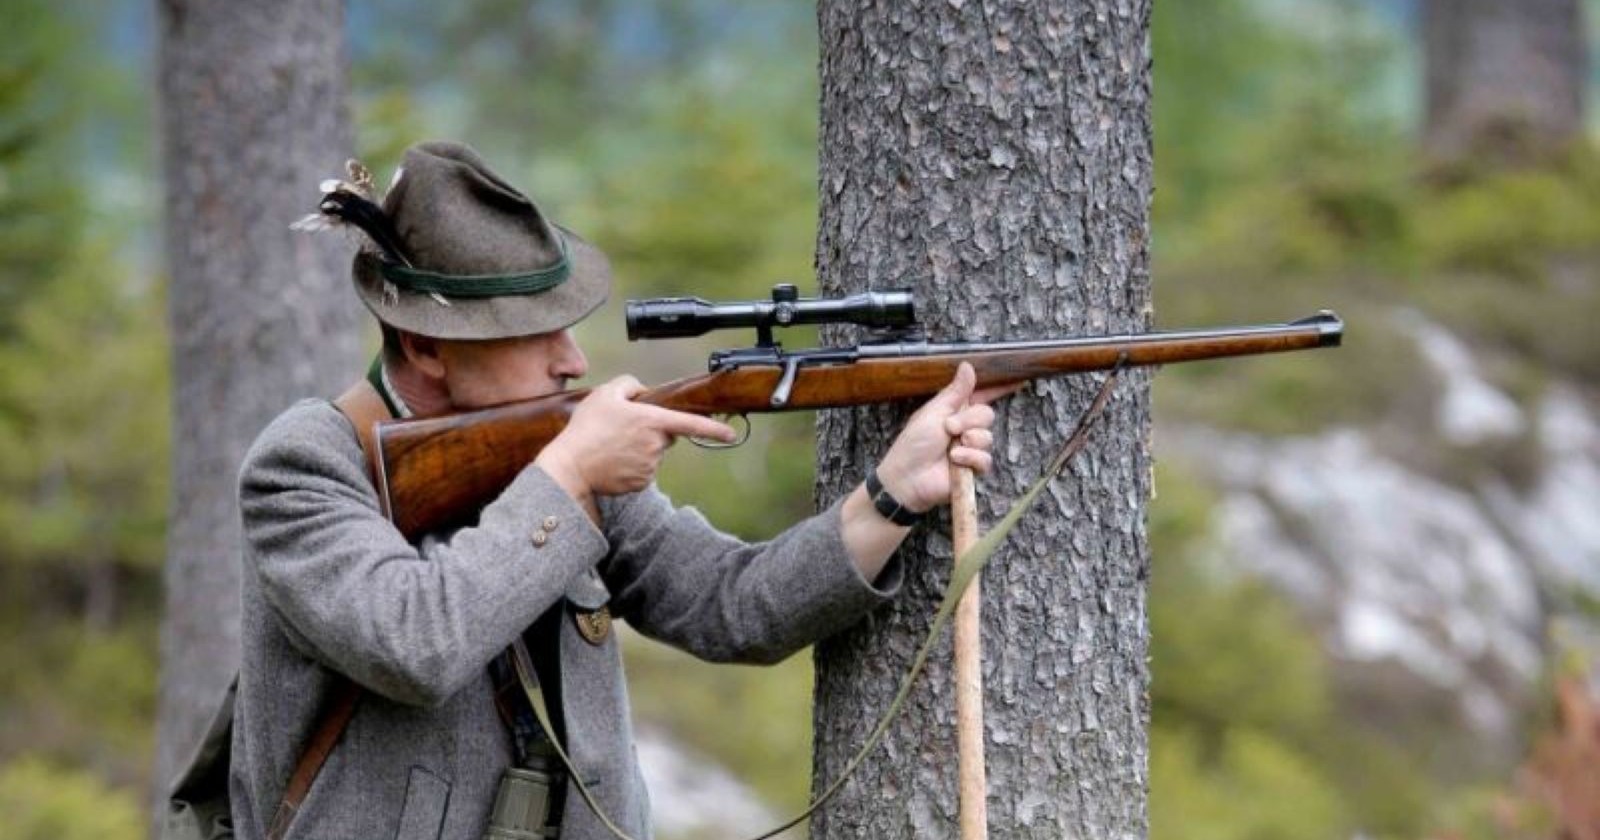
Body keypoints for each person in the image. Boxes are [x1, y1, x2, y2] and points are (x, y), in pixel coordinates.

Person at [231, 141, 1002, 840]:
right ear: (426, 345)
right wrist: (569, 476)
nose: (571, 360)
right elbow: (415, 646)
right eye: (535, 334)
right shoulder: (306, 465)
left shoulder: (555, 450)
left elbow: (734, 606)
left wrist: (895, 491)